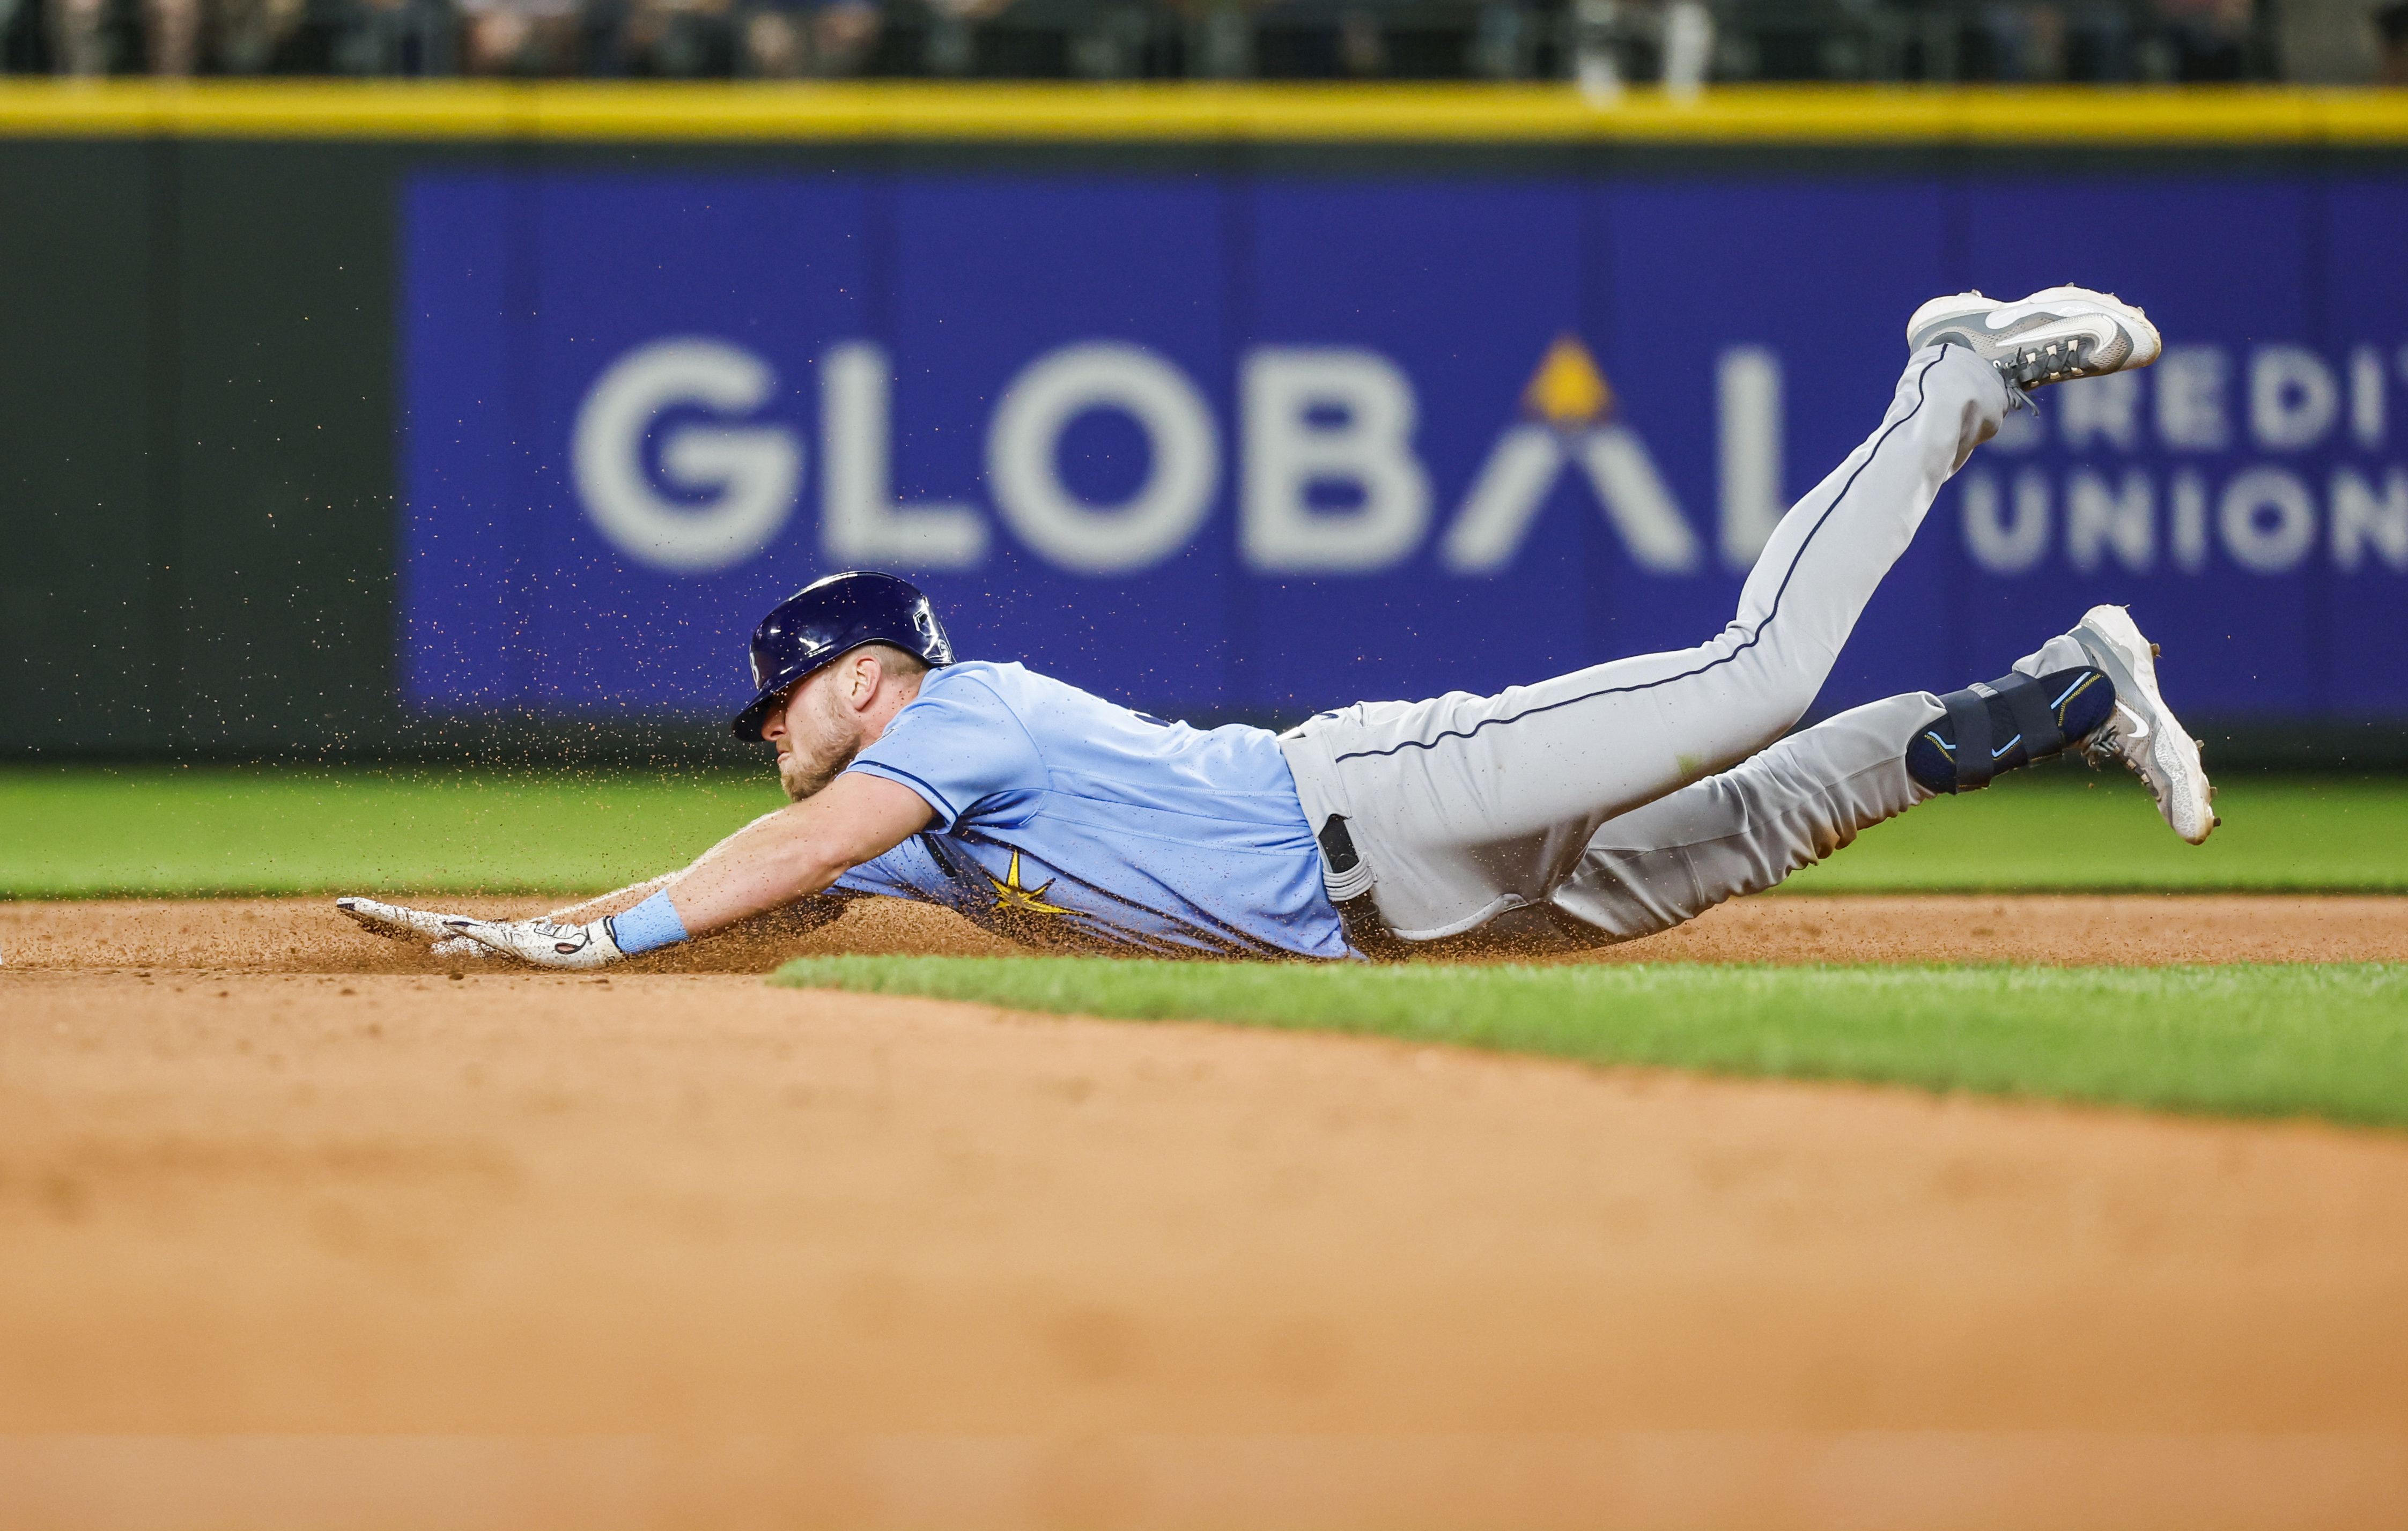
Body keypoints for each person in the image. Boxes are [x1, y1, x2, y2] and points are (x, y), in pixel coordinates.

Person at [339, 285, 2215, 970]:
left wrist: (590, 934)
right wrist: (531, 936)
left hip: (1389, 810)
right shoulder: (927, 815)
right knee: (1762, 813)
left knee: (1750, 678)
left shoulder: (957, 724)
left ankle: (1952, 377)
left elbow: (797, 840)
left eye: (782, 711)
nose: (777, 738)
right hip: (1436, 914)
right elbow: (790, 883)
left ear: (854, 682)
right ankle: (2060, 692)